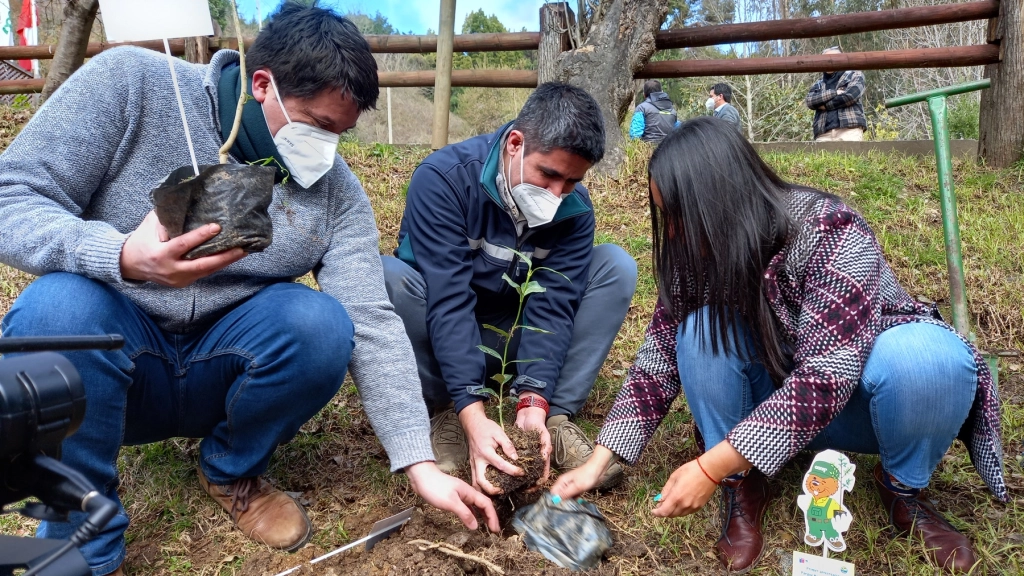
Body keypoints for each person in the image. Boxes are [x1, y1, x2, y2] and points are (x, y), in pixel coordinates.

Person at [0, 6, 498, 576]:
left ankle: (233, 468)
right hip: (112, 368)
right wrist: (119, 257)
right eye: (317, 124)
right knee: (55, 309)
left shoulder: (334, 191)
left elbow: (370, 319)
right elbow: (11, 196)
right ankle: (83, 540)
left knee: (322, 325)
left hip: (224, 364)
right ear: (263, 85)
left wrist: (418, 461)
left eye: (342, 132)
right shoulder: (133, 86)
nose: (328, 149)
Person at [553, 117, 1006, 574]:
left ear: (720, 202)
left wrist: (707, 468)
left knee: (928, 359)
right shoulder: (698, 253)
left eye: (680, 217)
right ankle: (744, 479)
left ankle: (900, 487)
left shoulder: (831, 230)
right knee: (697, 330)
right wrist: (597, 462)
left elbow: (825, 378)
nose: (673, 234)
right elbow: (658, 360)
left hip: (867, 406)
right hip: (772, 402)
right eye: (667, 218)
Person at [381, 82, 638, 496]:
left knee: (615, 266)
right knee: (390, 277)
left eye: (571, 182)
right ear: (515, 144)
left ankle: (552, 419)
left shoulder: (574, 210)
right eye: (549, 175)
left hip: (515, 335)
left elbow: (552, 307)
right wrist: (472, 409)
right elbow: (448, 300)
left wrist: (533, 399)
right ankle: (447, 409)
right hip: (445, 327)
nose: (557, 195)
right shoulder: (444, 180)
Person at [805, 47, 867, 141]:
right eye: (825, 59)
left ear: (841, 59)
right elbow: (810, 101)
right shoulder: (818, 84)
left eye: (833, 57)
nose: (829, 61)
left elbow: (849, 97)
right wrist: (834, 93)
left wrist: (824, 106)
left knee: (851, 155)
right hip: (823, 133)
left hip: (849, 129)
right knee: (821, 156)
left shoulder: (854, 75)